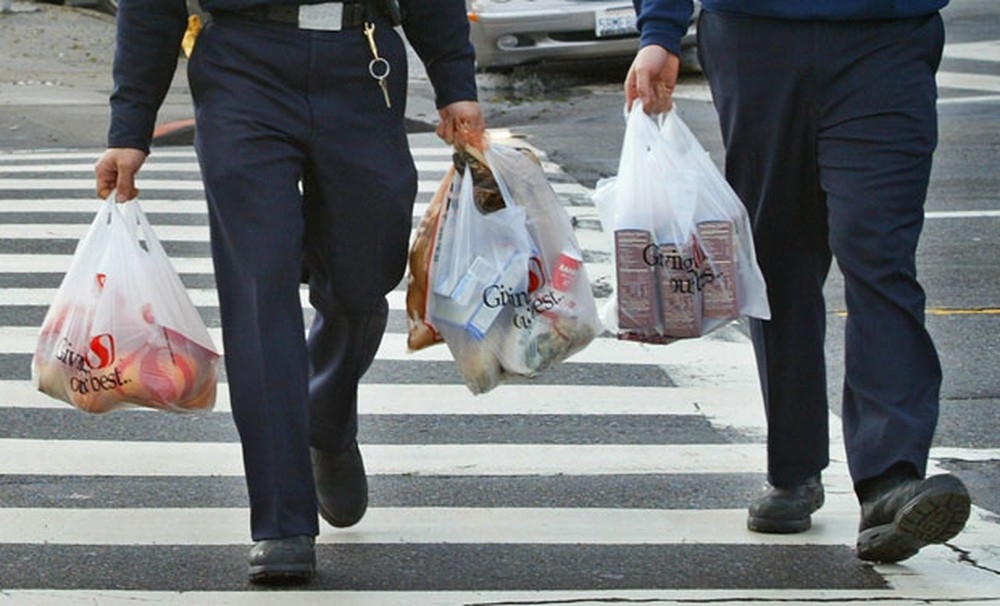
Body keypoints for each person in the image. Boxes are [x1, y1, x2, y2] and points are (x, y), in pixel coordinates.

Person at [94, 0, 486, 584]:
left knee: (364, 277)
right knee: (259, 291)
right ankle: (282, 522)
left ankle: (325, 416)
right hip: (242, 71)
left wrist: (456, 82)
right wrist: (130, 127)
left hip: (364, 61)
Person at [625, 0, 972, 563]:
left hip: (886, 37)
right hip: (753, 35)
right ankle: (793, 469)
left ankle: (891, 478)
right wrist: (659, 29)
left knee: (878, 250)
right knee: (778, 254)